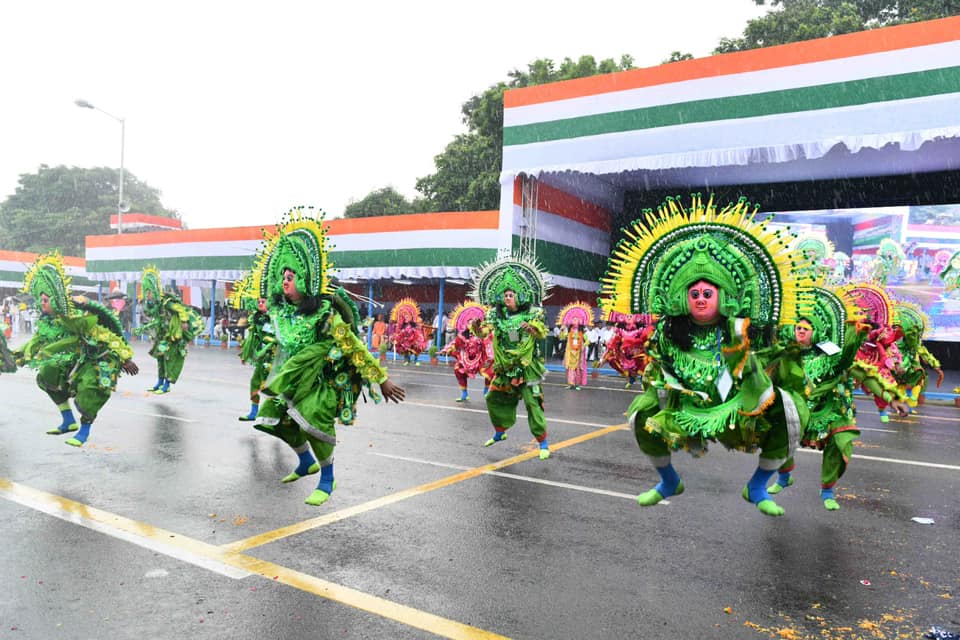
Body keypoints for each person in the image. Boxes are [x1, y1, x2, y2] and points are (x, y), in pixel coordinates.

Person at [599, 195, 812, 516]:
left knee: (789, 413)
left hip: (733, 406)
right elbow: (659, 369)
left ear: (723, 296)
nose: (700, 299)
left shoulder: (739, 330)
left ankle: (757, 486)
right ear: (682, 297)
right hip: (683, 406)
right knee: (640, 415)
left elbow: (751, 366)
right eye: (694, 293)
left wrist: (738, 374)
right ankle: (668, 480)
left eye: (707, 294)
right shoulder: (669, 334)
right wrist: (664, 380)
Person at [250, 207, 405, 506]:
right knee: (273, 419)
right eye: (283, 276)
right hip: (291, 379)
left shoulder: (325, 316)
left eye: (291, 276)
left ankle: (327, 478)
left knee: (314, 419)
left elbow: (354, 348)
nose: (284, 282)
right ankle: (305, 460)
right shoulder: (284, 314)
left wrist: (382, 379)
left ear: (306, 280)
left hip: (322, 382)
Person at [767, 287, 907, 510]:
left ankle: (827, 490)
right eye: (798, 327)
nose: (800, 331)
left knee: (840, 440)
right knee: (779, 435)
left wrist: (891, 399)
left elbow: (864, 374)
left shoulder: (833, 356)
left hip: (831, 407)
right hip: (799, 407)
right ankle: (784, 477)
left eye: (805, 328)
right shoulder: (786, 353)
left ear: (817, 331)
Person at [10, 251, 138, 446]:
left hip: (102, 356)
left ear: (55, 299)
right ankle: (68, 421)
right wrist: (16, 356)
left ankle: (84, 430)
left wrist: (125, 358)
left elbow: (107, 336)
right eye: (41, 300)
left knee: (90, 386)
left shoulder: (77, 316)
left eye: (45, 300)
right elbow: (36, 341)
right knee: (48, 372)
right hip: (79, 356)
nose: (42, 304)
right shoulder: (51, 321)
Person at [470, 253, 552, 460]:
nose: (507, 298)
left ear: (519, 296)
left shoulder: (532, 314)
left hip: (527, 368)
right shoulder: (495, 317)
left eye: (511, 295)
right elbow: (484, 333)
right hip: (505, 367)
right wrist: (477, 327)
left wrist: (532, 329)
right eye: (505, 295)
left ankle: (543, 443)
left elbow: (541, 332)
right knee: (493, 397)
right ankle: (500, 432)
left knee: (533, 403)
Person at [137, 266, 203, 394]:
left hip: (172, 336)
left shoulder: (166, 303)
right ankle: (159, 383)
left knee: (169, 360)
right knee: (160, 359)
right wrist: (145, 328)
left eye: (149, 292)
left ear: (155, 291)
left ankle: (167, 385)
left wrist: (184, 321)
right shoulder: (156, 306)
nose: (148, 295)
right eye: (146, 292)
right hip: (162, 337)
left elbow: (180, 309)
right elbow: (158, 320)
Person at [892, 301, 944, 411]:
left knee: (918, 376)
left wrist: (936, 366)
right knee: (914, 376)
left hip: (907, 365)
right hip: (898, 365)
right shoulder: (893, 342)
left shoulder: (913, 344)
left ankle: (908, 402)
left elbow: (922, 351)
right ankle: (900, 401)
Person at [440, 301, 493, 402]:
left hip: (481, 358)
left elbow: (488, 341)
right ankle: (464, 394)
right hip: (467, 359)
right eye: (469, 321)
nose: (470, 323)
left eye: (473, 321)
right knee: (458, 370)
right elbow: (454, 343)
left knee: (489, 369)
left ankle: (486, 391)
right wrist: (445, 350)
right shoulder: (463, 335)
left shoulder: (482, 332)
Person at [556, 301, 593, 390]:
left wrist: (584, 345)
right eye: (574, 319)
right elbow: (561, 338)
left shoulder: (582, 332)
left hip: (578, 353)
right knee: (570, 369)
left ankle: (576, 384)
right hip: (570, 353)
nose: (575, 321)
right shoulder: (568, 332)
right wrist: (561, 330)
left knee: (577, 369)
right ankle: (571, 384)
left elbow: (588, 341)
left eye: (577, 319)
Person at [391, 298, 428, 365]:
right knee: (405, 348)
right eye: (405, 315)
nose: (406, 316)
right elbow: (399, 332)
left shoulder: (415, 323)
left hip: (414, 338)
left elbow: (419, 330)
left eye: (407, 315)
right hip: (406, 339)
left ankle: (416, 360)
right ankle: (406, 360)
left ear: (411, 315)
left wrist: (417, 331)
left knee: (417, 347)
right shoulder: (402, 325)